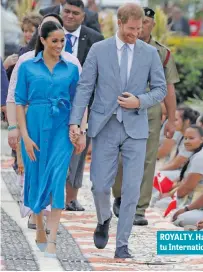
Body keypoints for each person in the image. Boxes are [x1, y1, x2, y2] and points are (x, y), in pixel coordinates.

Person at [69, 3, 167, 258]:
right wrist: (75, 122)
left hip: (136, 127)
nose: (136, 33)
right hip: (105, 125)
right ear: (120, 23)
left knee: (131, 190)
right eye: (132, 28)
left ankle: (122, 245)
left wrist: (140, 101)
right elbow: (84, 88)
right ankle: (103, 219)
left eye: (140, 28)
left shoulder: (149, 53)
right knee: (100, 186)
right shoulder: (99, 50)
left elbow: (160, 89)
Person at [6, 14, 85, 229]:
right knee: (35, 171)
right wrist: (14, 128)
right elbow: (15, 96)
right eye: (55, 40)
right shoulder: (26, 63)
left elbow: (80, 99)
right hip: (34, 122)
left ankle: (51, 223)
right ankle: (35, 212)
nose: (60, 44)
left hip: (61, 125)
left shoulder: (72, 64)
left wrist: (80, 129)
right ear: (42, 38)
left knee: (58, 172)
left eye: (62, 40)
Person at [111, 7, 180, 226]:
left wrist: (171, 118)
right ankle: (121, 196)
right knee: (119, 157)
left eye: (146, 23)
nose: (141, 28)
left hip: (149, 110)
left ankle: (139, 208)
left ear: (150, 25)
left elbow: (169, 88)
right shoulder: (114, 47)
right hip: (120, 106)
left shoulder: (161, 53)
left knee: (146, 159)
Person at [61, 0, 104, 212]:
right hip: (55, 103)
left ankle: (71, 198)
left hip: (85, 105)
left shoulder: (95, 40)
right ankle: (50, 196)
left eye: (75, 13)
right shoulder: (49, 31)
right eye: (66, 11)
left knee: (78, 151)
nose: (69, 16)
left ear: (83, 16)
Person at [154, 126, 203, 210]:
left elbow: (187, 188)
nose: (187, 141)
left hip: (194, 200)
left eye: (191, 138)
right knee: (157, 194)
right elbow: (183, 179)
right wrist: (168, 189)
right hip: (187, 194)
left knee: (160, 204)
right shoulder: (197, 153)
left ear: (202, 139)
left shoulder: (201, 157)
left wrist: (169, 194)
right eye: (185, 138)